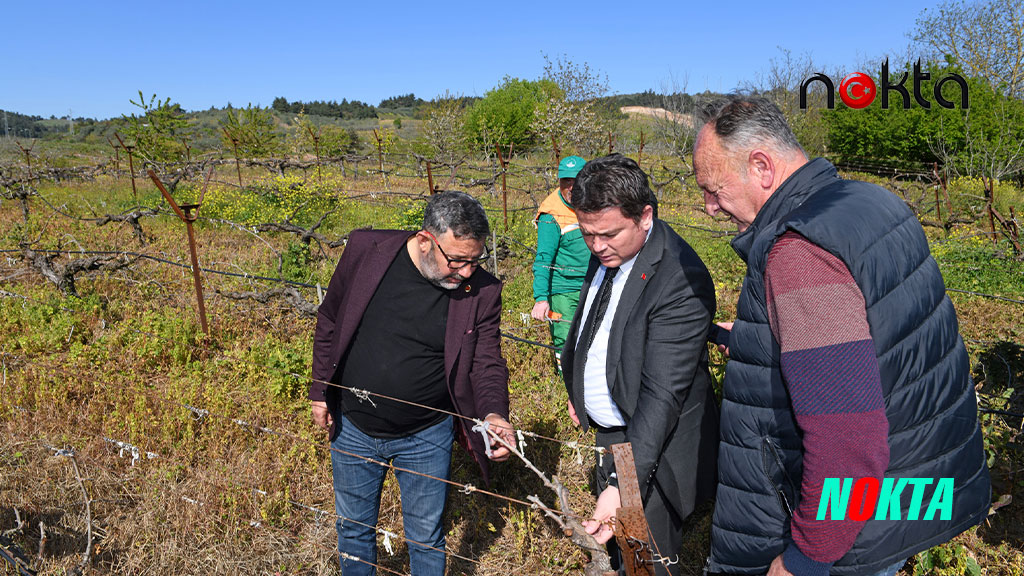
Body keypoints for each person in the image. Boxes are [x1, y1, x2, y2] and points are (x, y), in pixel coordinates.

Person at [692, 96, 991, 576]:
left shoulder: (799, 253)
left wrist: (806, 556)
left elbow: (847, 437)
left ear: (762, 166)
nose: (709, 208)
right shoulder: (868, 201)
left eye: (714, 188)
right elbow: (882, 338)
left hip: (849, 531)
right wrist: (759, 340)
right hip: (910, 490)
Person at [309, 191, 516, 575]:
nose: (467, 272)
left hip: (426, 434)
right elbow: (331, 319)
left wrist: (494, 413)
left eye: (475, 260)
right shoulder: (366, 250)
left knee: (425, 536)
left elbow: (487, 362)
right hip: (354, 426)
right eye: (457, 260)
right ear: (425, 241)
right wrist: (320, 390)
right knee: (354, 529)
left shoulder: (482, 292)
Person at [560, 153, 720, 576]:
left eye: (607, 234)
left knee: (643, 561)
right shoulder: (612, 251)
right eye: (586, 233)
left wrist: (621, 485)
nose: (596, 246)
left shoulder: (680, 279)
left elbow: (661, 397)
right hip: (612, 435)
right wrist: (579, 389)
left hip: (649, 444)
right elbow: (594, 328)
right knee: (623, 553)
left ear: (644, 215)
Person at [531, 155, 591, 367]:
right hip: (564, 289)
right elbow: (543, 259)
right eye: (566, 181)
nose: (571, 187)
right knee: (566, 342)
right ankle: (566, 391)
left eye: (577, 181)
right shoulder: (551, 213)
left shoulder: (594, 203)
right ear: (559, 181)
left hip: (593, 284)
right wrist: (541, 298)